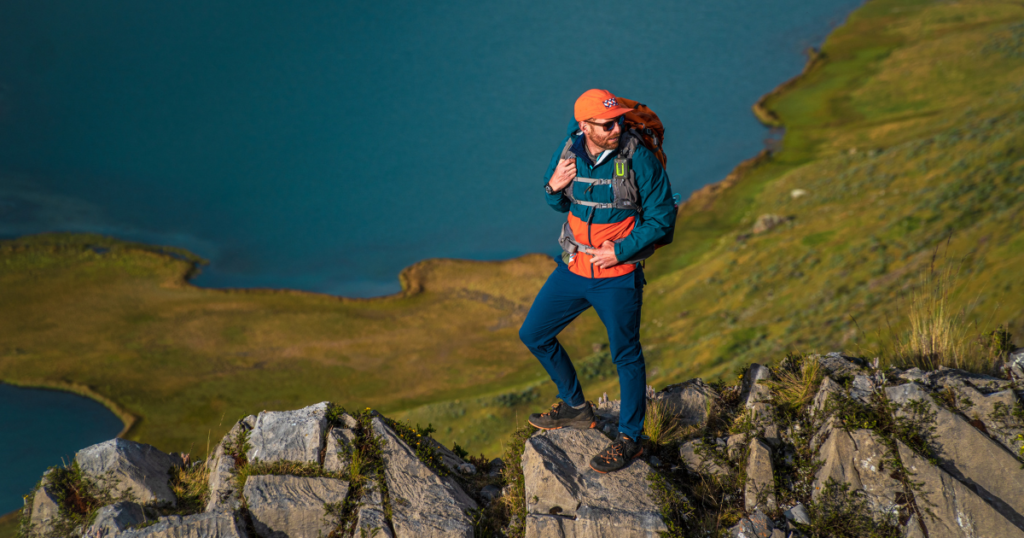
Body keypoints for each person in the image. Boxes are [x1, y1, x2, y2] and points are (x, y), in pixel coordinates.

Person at [519, 89, 676, 473]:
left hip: (617, 277)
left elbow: (662, 220)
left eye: (619, 120)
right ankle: (575, 407)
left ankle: (630, 439)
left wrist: (619, 253)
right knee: (534, 334)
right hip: (573, 268)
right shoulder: (570, 148)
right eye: (607, 124)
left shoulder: (638, 157)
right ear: (584, 126)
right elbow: (556, 197)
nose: (616, 128)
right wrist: (552, 187)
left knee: (626, 355)